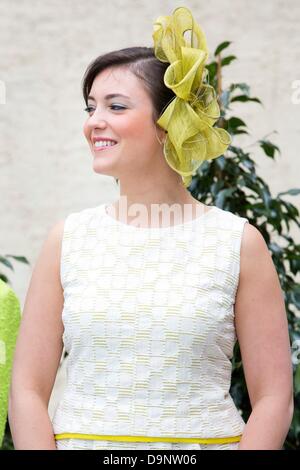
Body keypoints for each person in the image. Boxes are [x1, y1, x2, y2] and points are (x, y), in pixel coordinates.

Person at [8, 6, 293, 450]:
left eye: (115, 106)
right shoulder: (68, 239)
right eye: (91, 107)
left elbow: (274, 397)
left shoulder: (238, 242)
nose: (93, 122)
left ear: (169, 124)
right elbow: (26, 389)